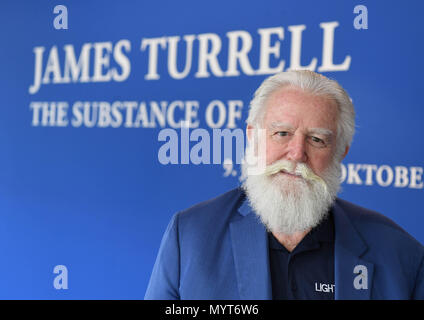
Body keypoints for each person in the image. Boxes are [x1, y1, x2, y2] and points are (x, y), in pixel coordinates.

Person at [145, 70, 424, 300]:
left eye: (316, 139)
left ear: (340, 152)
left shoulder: (401, 255)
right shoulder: (190, 236)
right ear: (253, 137)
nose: (296, 154)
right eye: (282, 133)